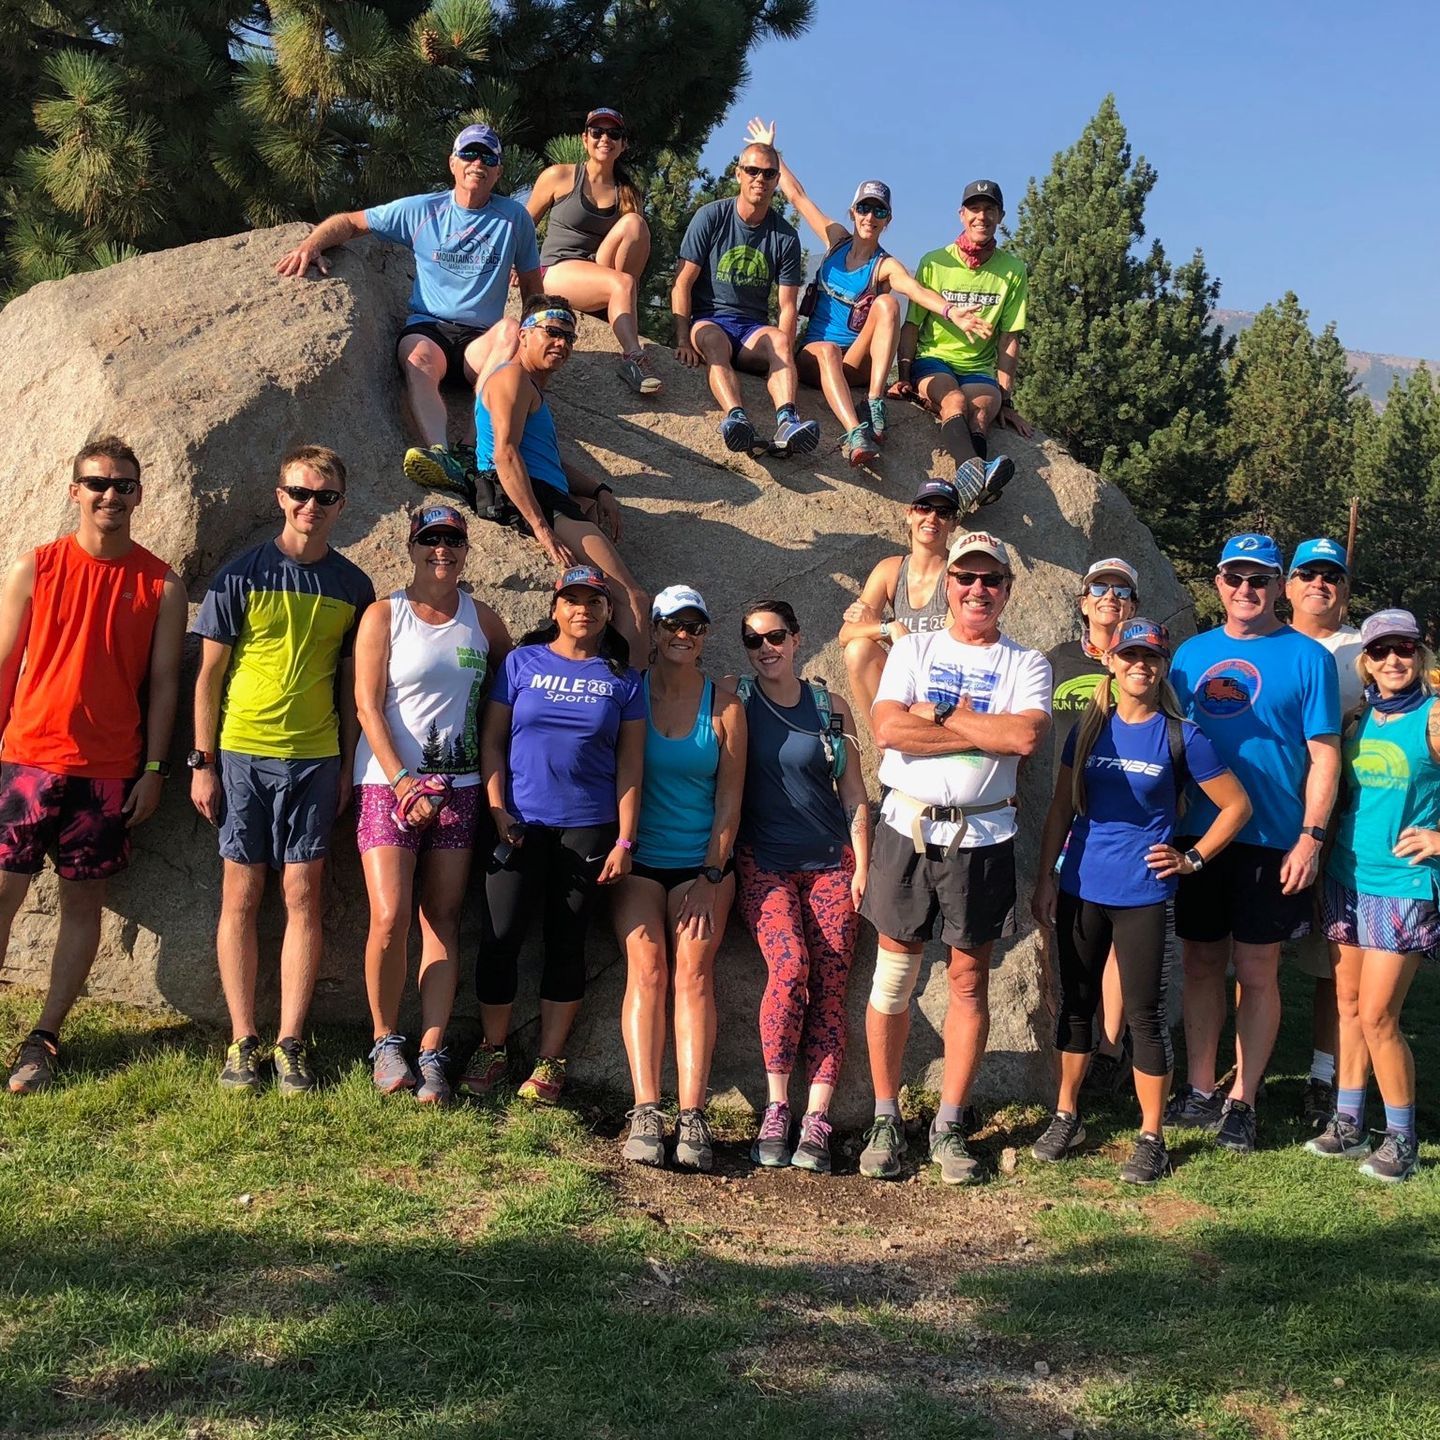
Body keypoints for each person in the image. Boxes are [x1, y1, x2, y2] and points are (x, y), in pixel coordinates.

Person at [857, 530, 1051, 1185]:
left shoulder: (1027, 664)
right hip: (905, 831)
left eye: (990, 580)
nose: (977, 590)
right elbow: (887, 729)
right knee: (893, 981)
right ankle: (886, 1116)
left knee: (969, 983)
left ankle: (948, 1124)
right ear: (949, 585)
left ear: (1006, 590)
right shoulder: (913, 647)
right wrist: (972, 722)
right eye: (965, 578)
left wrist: (936, 716)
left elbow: (1023, 735)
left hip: (983, 841)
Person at [1032, 619, 1250, 1183]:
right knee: (1078, 1004)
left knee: (1144, 1016)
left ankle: (1151, 1136)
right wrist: (1044, 878)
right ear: (1111, 661)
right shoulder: (1086, 730)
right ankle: (1067, 1115)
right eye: (1129, 655)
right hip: (1081, 884)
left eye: (1150, 657)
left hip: (1144, 893)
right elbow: (1061, 809)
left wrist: (1192, 858)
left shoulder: (1182, 735)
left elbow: (1236, 807)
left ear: (1161, 666)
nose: (1139, 665)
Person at [0, 438, 186, 1094]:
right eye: (98, 483)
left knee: (84, 904)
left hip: (108, 774)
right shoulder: (35, 567)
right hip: (25, 761)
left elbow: (165, 684)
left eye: (124, 485)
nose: (111, 495)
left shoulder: (161, 583)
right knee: (1, 897)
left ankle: (44, 1038)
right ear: (74, 488)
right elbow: (4, 664)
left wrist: (156, 768)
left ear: (140, 493)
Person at [191, 445, 375, 1094]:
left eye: (324, 497)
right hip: (242, 754)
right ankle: (244, 1042)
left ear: (341, 505)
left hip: (317, 758)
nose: (310, 506)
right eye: (299, 493)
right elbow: (208, 677)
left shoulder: (354, 587)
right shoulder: (238, 576)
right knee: (240, 894)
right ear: (279, 496)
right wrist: (202, 763)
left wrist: (350, 765)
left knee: (303, 895)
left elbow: (354, 685)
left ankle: (291, 1042)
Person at [1166, 533, 1341, 1153]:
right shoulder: (1189, 655)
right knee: (1200, 961)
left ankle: (1244, 1099)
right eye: (1235, 578)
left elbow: (1324, 755)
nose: (1247, 590)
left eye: (1259, 579)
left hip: (1273, 835)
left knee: (1258, 970)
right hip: (1201, 833)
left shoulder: (1307, 657)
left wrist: (1311, 838)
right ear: (1217, 583)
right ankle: (1199, 1086)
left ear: (1276, 586)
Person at [274, 124, 541, 494]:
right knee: (417, 358)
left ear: (498, 170)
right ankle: (440, 454)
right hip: (429, 327)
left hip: (480, 342)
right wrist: (312, 244)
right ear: (452, 163)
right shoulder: (423, 210)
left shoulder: (514, 219)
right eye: (469, 153)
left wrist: (537, 341)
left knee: (512, 330)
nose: (477, 162)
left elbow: (531, 287)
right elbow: (352, 222)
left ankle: (469, 449)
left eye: (488, 157)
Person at [353, 505, 512, 1103]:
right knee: (390, 916)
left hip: (461, 789)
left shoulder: (482, 619)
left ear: (466, 549)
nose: (441, 550)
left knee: (442, 918)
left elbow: (509, 677)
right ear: (411, 546)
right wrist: (400, 783)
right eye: (430, 540)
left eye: (451, 540)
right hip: (387, 786)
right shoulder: (383, 616)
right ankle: (385, 1039)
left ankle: (432, 1048)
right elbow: (368, 706)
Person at [467, 565, 643, 1105]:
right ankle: (493, 1048)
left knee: (566, 942)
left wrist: (625, 840)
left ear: (608, 612)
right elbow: (491, 742)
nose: (582, 609)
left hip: (587, 827)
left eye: (594, 600)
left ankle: (549, 1061)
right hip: (517, 822)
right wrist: (496, 809)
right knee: (500, 938)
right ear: (554, 607)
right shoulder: (521, 663)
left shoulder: (624, 679)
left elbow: (630, 766)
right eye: (572, 599)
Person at [722, 600, 870, 1175]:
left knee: (831, 983)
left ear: (797, 637)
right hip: (764, 861)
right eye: (753, 640)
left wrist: (862, 861)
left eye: (776, 636)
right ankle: (778, 1106)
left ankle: (817, 1118)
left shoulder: (828, 706)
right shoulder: (736, 698)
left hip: (832, 860)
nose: (766, 649)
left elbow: (854, 791)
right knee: (789, 970)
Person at [745, 120, 975, 469]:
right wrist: (771, 151)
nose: (870, 216)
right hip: (815, 356)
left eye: (879, 211)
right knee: (825, 350)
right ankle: (855, 432)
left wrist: (950, 311)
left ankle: (874, 401)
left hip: (855, 362)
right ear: (853, 212)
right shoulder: (836, 240)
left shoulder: (884, 265)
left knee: (886, 303)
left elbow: (914, 289)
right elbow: (798, 196)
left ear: (888, 220)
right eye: (865, 208)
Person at [614, 586, 746, 1172]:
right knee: (647, 969)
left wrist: (712, 871)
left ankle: (691, 1114)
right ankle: (646, 1108)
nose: (682, 636)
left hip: (703, 863)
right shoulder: (631, 692)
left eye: (694, 627)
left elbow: (731, 798)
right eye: (672, 625)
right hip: (639, 860)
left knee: (693, 974)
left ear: (705, 635)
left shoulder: (725, 706)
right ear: (656, 629)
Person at [1306, 610, 1438, 1183]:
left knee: (1381, 1015)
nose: (1393, 661)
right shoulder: (1359, 717)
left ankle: (1403, 1138)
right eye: (1381, 650)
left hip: (1404, 885)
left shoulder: (1435, 716)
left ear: (1420, 653)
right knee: (1349, 1008)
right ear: (1365, 659)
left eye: (1403, 649)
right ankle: (1348, 1121)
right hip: (1346, 877)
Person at [471, 294, 648, 647]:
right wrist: (543, 530)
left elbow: (548, 460)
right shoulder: (512, 379)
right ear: (523, 334)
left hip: (547, 492)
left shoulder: (529, 387)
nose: (561, 343)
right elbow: (505, 455)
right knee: (633, 600)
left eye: (569, 337)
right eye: (552, 332)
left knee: (610, 603)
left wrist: (599, 489)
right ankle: (636, 698)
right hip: (530, 497)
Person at [1044, 558, 1141, 1097]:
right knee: (1071, 939)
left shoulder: (1145, 663)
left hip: (1125, 826)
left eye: (1122, 590)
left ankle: (1110, 1048)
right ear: (1082, 602)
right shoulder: (1055, 661)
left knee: (1118, 948)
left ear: (1134, 604)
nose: (1110, 596)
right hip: (1063, 818)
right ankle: (1068, 1047)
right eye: (1099, 588)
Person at [1284, 536, 1364, 1127]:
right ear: (1287, 585)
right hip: (1263, 815)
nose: (1320, 583)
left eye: (1331, 575)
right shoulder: (1262, 639)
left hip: (1340, 824)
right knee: (1252, 955)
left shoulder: (1366, 651)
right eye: (1307, 572)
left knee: (1331, 957)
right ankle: (1247, 1065)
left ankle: (1322, 1074)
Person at [671, 141, 819, 459]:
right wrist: (682, 338)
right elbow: (682, 282)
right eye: (752, 170)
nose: (759, 179)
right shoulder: (710, 217)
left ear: (777, 181)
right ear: (738, 173)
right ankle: (736, 418)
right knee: (713, 342)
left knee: (779, 340)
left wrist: (785, 359)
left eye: (768, 173)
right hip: (709, 319)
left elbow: (788, 306)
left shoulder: (785, 236)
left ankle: (786, 421)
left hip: (752, 329)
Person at [891, 180, 1032, 509]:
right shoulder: (935, 262)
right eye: (974, 209)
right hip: (934, 360)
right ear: (961, 214)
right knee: (953, 400)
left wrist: (1006, 399)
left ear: (1000, 216)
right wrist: (905, 374)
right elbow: (912, 324)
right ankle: (979, 472)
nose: (981, 216)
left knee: (981, 411)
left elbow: (1010, 337)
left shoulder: (1012, 270)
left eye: (989, 210)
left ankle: (970, 488)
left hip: (978, 369)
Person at [527, 106, 663, 397]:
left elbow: (631, 247)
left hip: (599, 270)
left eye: (613, 133)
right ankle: (634, 359)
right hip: (557, 269)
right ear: (584, 139)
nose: (605, 138)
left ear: (623, 144)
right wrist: (516, 266)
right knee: (622, 283)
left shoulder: (627, 192)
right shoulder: (560, 176)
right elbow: (523, 226)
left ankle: (617, 312)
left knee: (635, 224)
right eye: (597, 132)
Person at [839, 479, 962, 734]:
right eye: (924, 508)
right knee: (858, 650)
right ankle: (885, 740)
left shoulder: (959, 574)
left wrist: (883, 631)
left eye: (943, 512)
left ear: (953, 523)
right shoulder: (890, 570)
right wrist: (889, 628)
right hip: (904, 679)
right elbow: (846, 635)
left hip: (944, 682)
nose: (932, 518)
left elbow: (947, 650)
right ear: (909, 514)